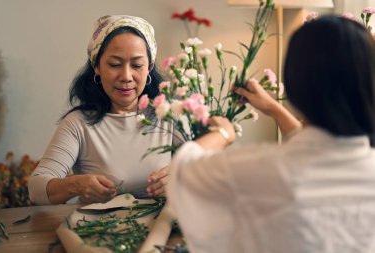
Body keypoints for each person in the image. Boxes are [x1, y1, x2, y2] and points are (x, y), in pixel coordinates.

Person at [167, 15, 375, 253]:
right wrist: (274, 109)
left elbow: (183, 171)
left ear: (295, 82)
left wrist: (223, 133)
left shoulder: (267, 169)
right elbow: (322, 149)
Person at [28, 15, 173, 205]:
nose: (126, 76)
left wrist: (181, 176)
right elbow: (36, 189)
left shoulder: (167, 114)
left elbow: (209, 165)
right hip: (101, 232)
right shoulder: (78, 123)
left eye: (137, 65)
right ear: (96, 66)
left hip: (165, 230)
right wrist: (76, 185)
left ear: (149, 68)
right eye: (114, 64)